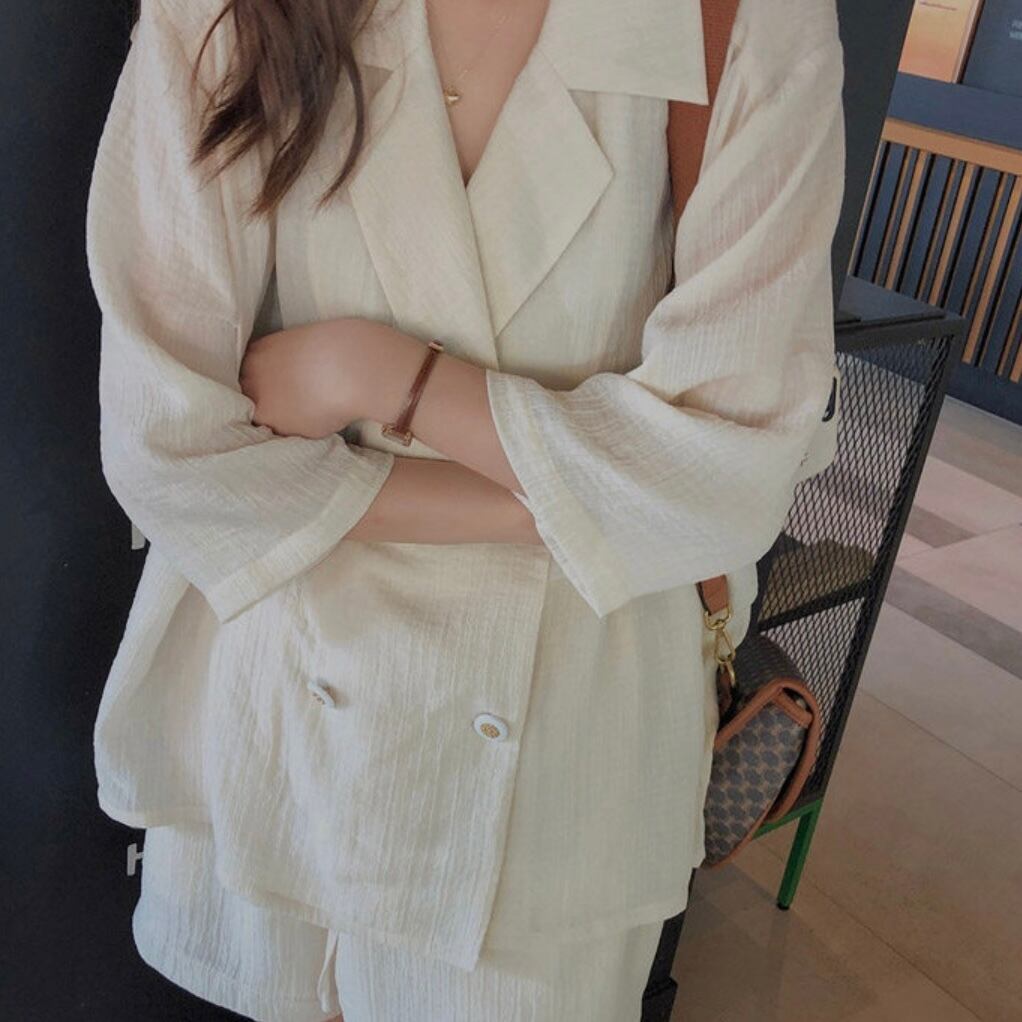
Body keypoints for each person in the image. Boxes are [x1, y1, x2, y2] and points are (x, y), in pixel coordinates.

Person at [85, 0, 846, 1018]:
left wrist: (380, 376)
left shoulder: (746, 19)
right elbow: (169, 446)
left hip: (556, 771)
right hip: (276, 722)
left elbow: (729, 474)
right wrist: (580, 508)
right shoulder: (221, 14)